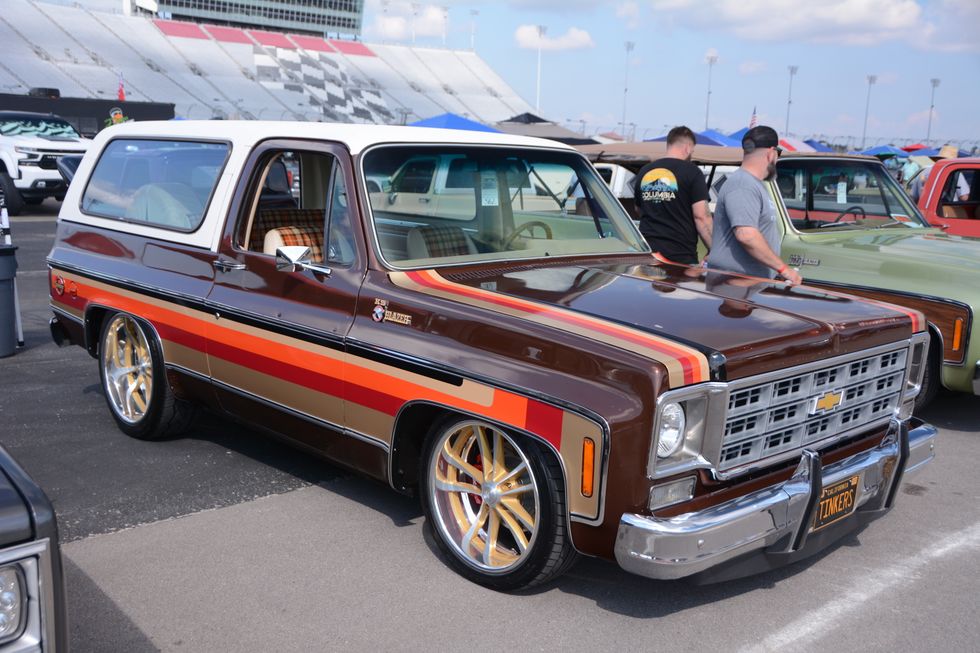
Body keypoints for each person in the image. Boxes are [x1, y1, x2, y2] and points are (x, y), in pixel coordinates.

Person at [707, 125, 802, 285]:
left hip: (744, 285)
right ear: (771, 153)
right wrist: (784, 270)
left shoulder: (753, 184)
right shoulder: (743, 184)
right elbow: (746, 235)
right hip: (735, 285)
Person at [633, 125, 711, 264]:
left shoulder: (645, 171)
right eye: (692, 150)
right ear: (687, 147)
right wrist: (714, 249)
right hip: (680, 255)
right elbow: (701, 217)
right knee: (680, 286)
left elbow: (638, 209)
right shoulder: (693, 172)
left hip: (647, 253)